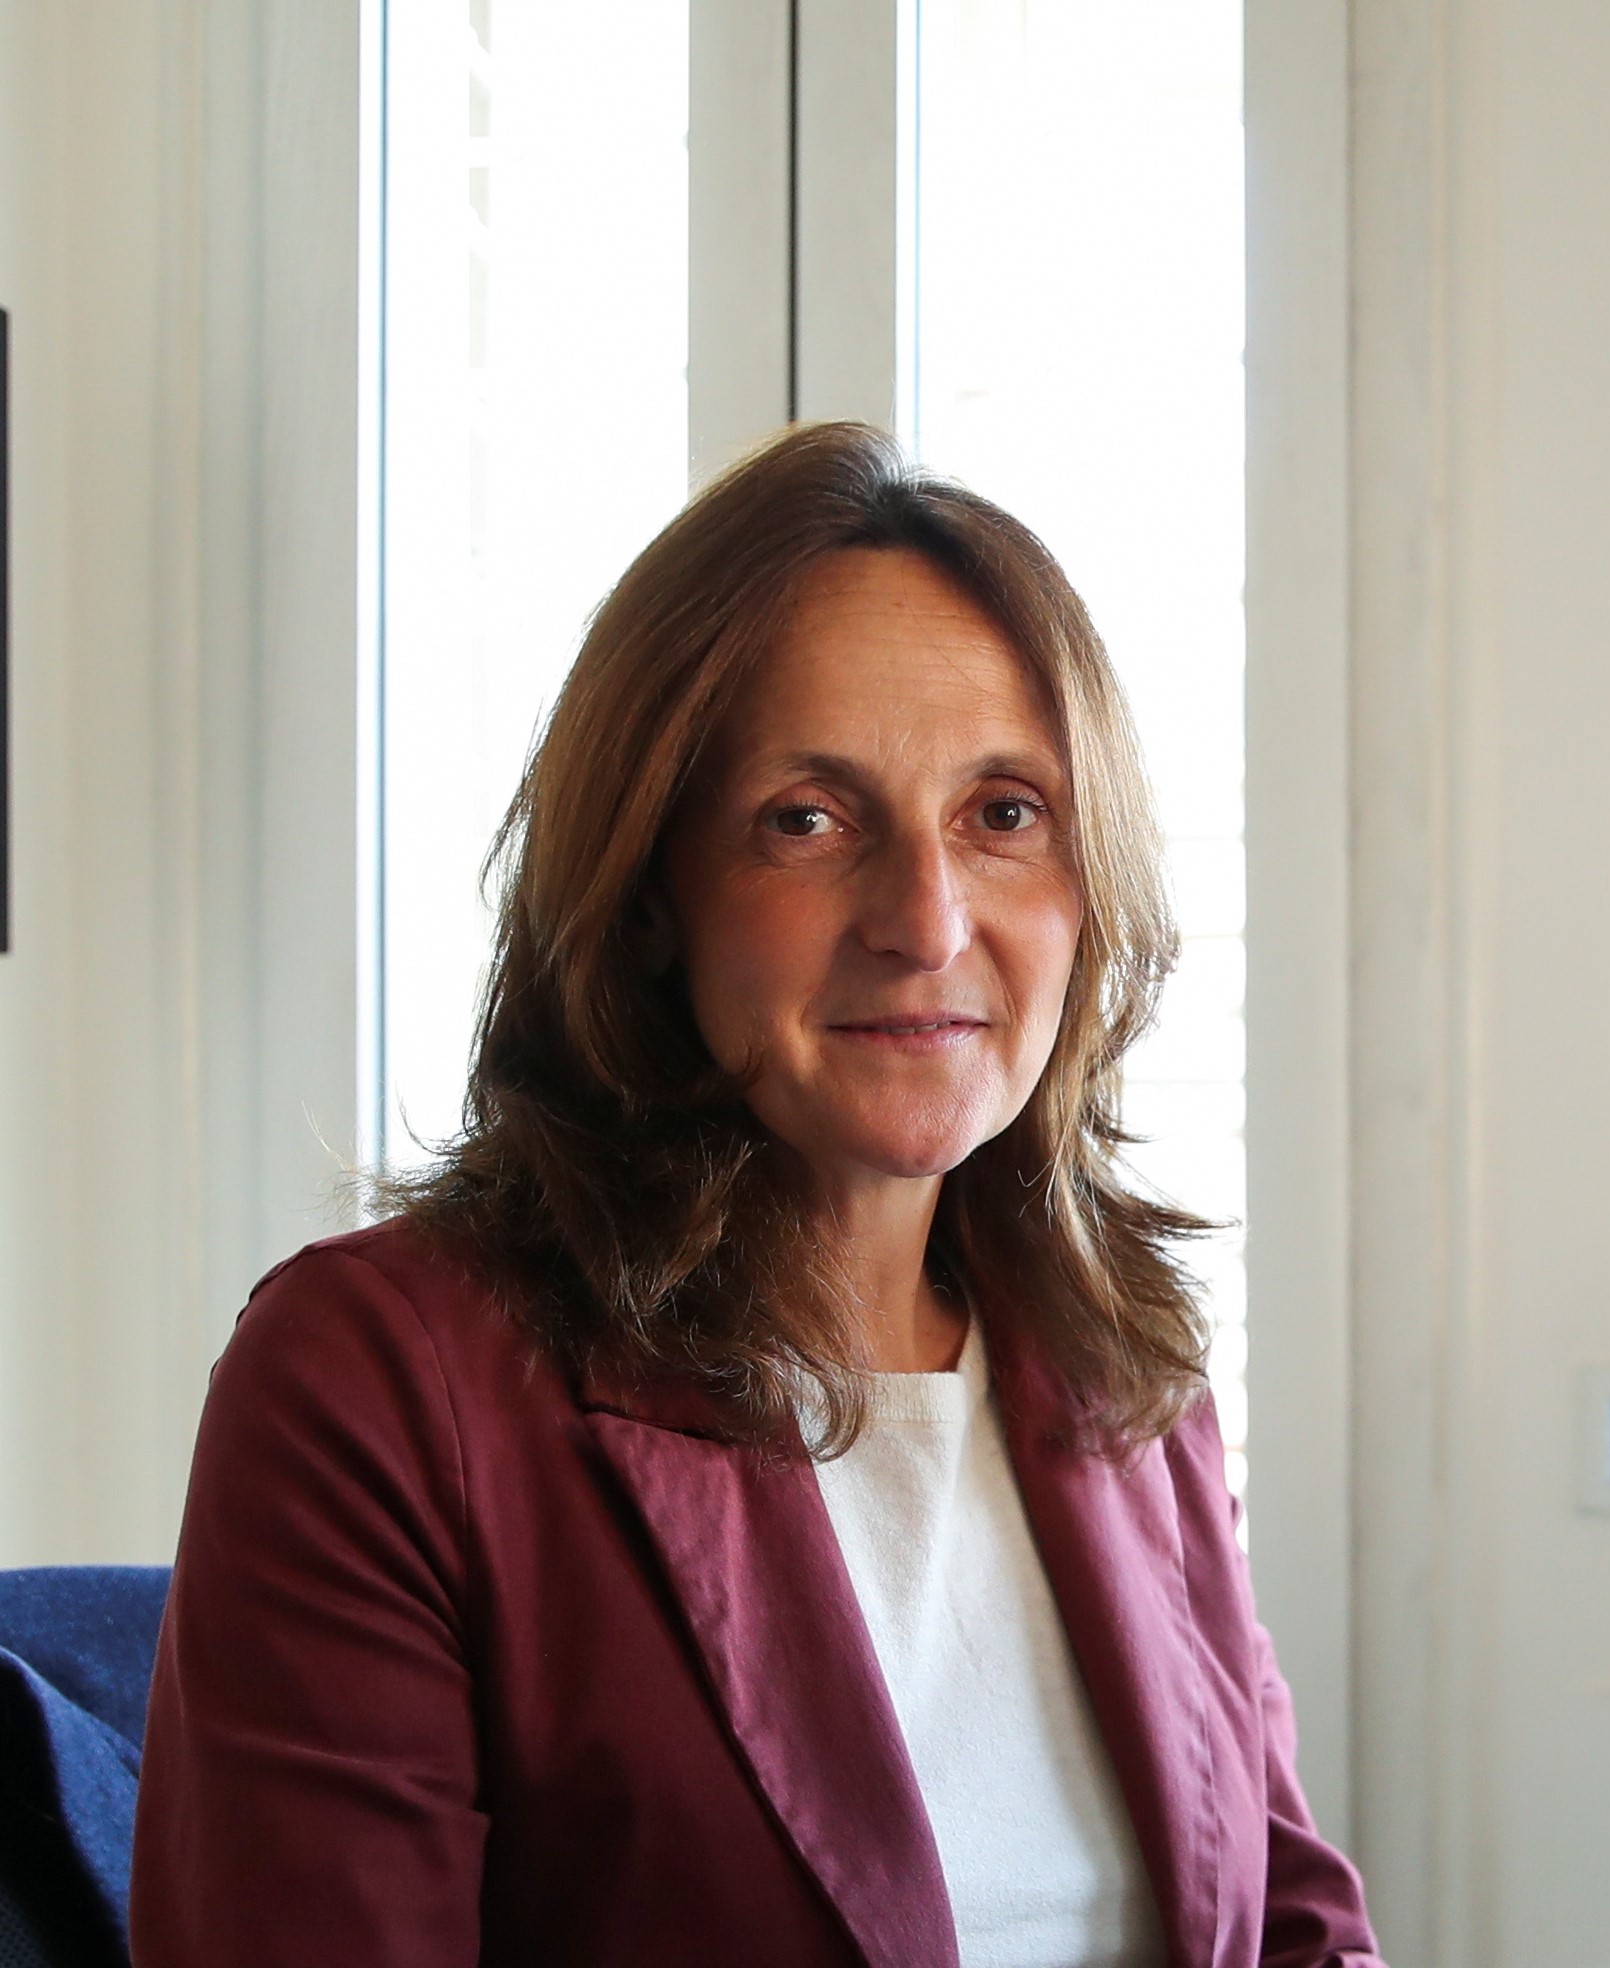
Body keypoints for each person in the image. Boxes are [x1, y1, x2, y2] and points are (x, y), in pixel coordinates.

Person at [131, 423, 1384, 1968]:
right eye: (808, 818)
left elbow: (1297, 1928)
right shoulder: (381, 1377)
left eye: (1003, 814)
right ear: (651, 896)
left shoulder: (1132, 1373)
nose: (925, 923)